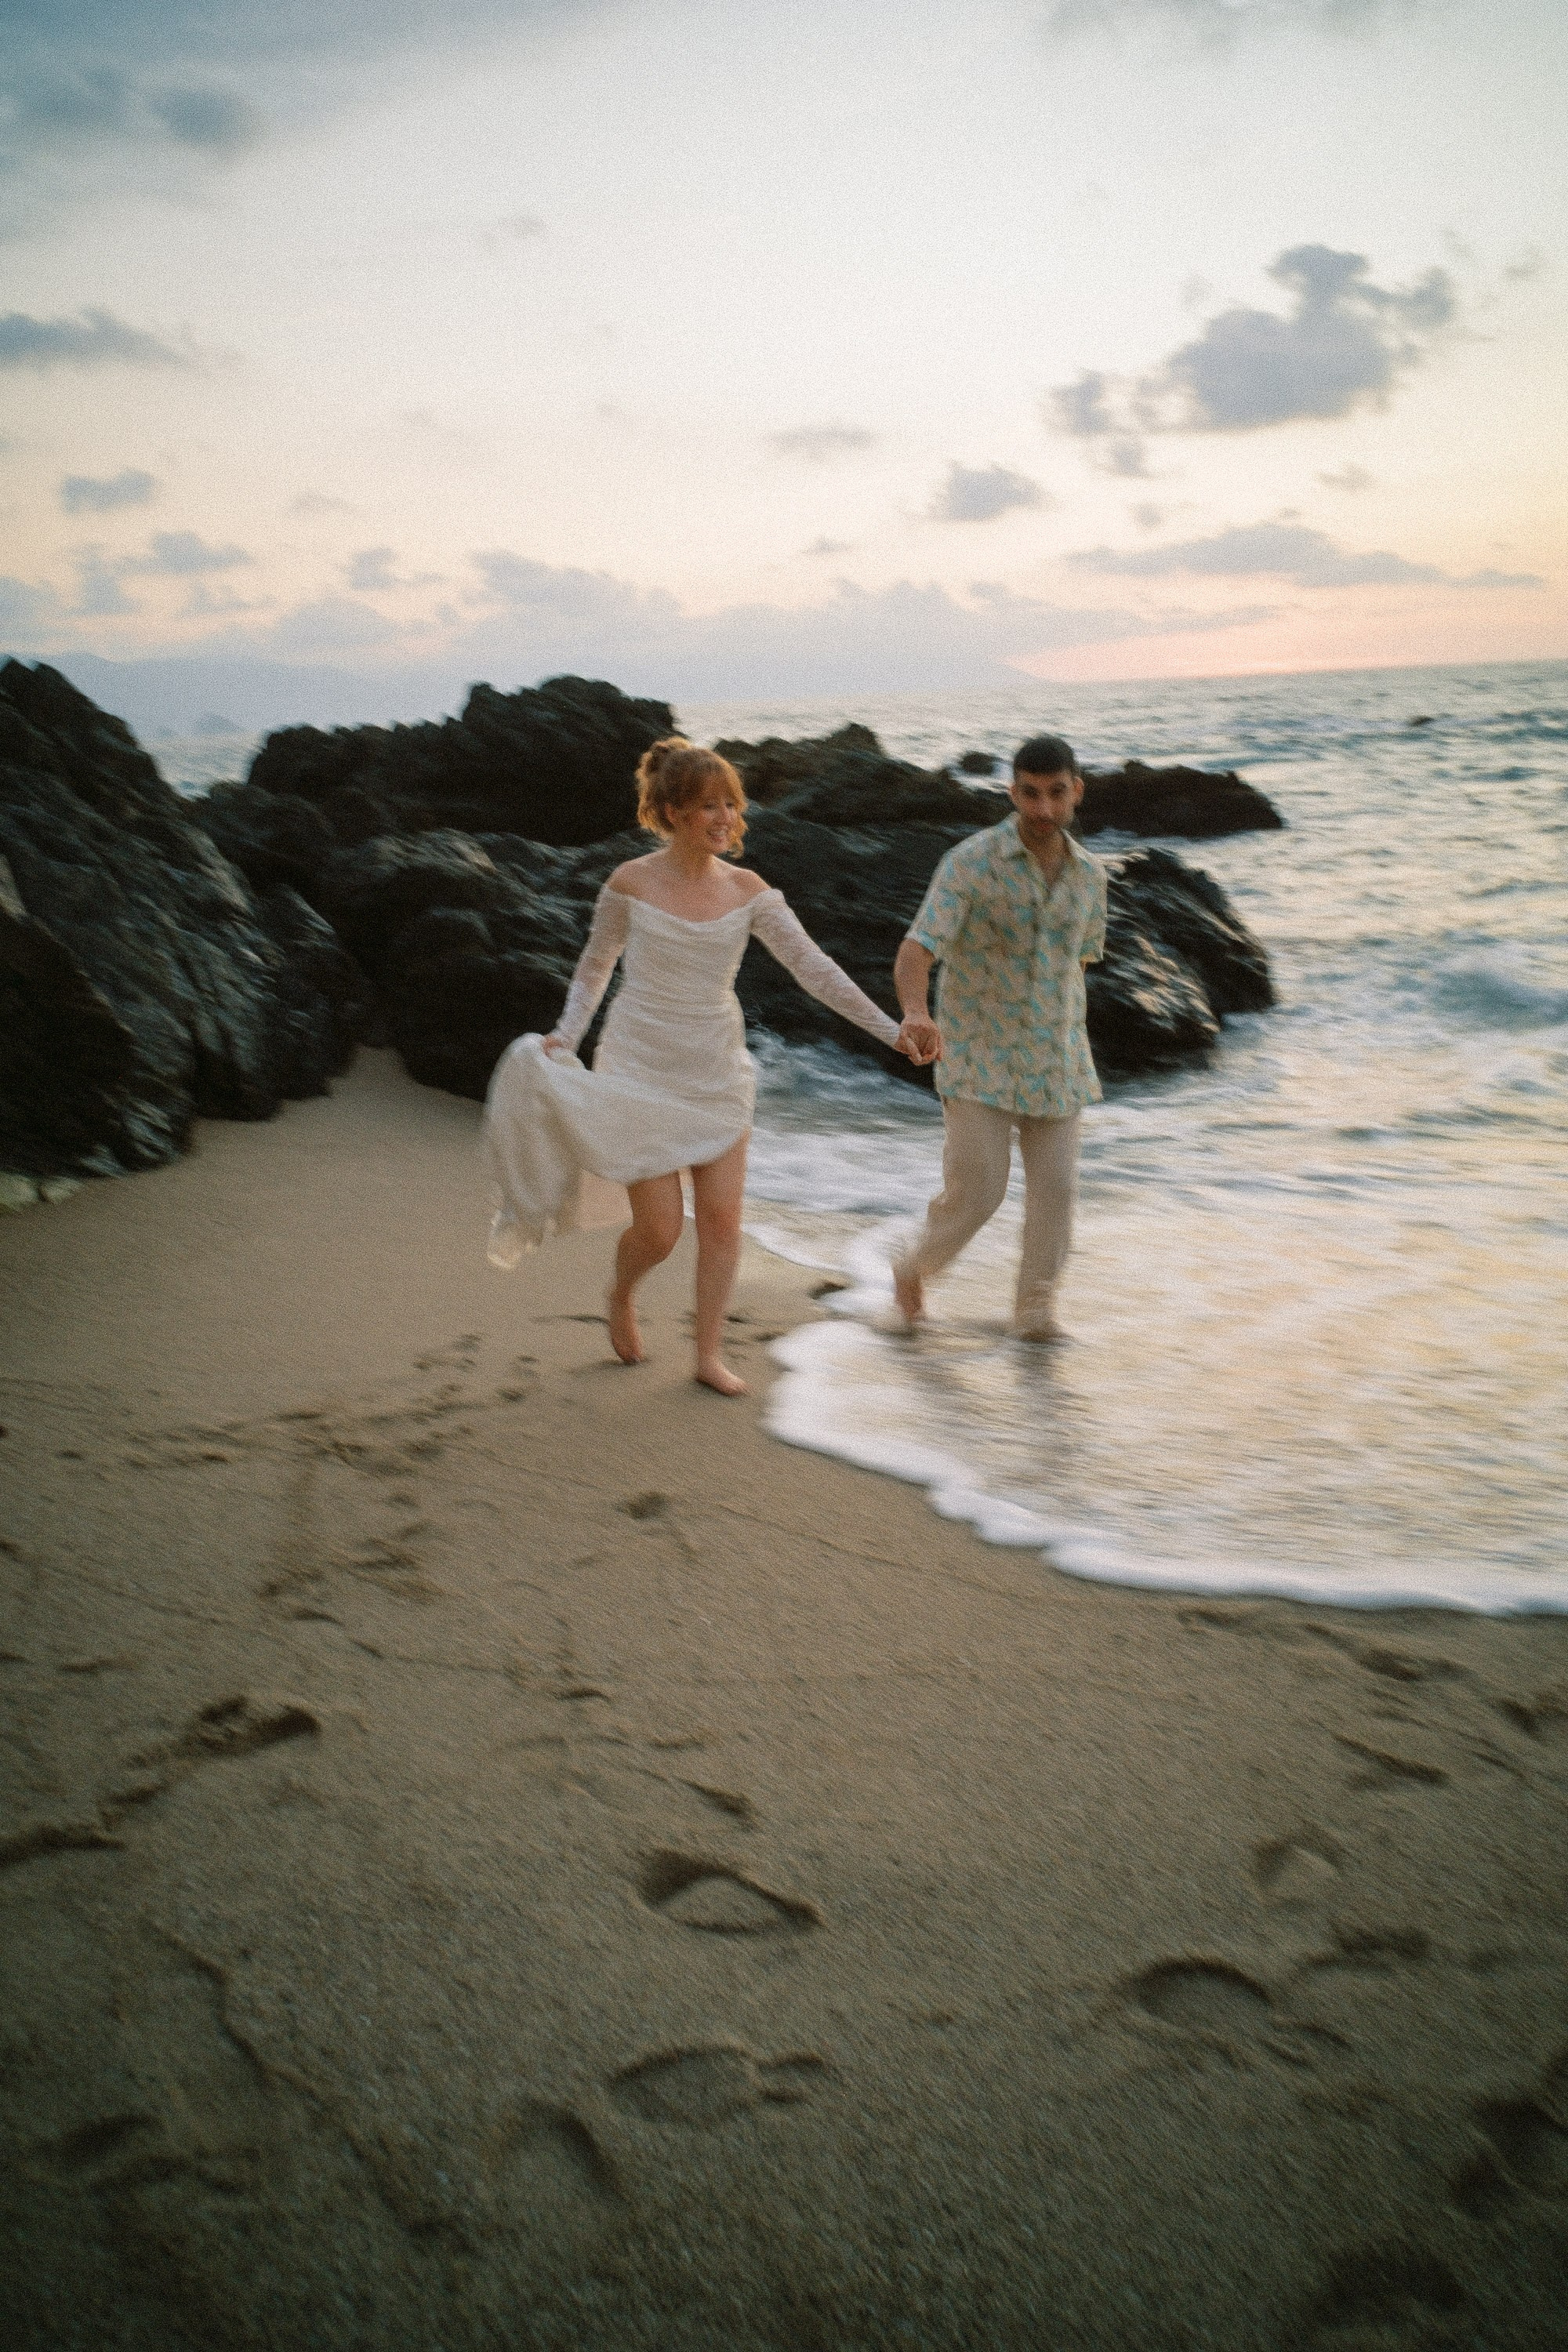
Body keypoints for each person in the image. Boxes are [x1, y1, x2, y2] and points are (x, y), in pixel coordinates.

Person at [485, 737, 934, 1395]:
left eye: (730, 804)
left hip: (717, 1071)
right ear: (670, 812)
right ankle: (621, 1293)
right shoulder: (630, 883)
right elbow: (595, 966)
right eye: (707, 806)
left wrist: (889, 1030)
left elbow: (814, 969)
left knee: (723, 1223)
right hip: (639, 1068)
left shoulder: (749, 891)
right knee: (661, 1231)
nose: (724, 818)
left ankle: (708, 1355)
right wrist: (567, 1036)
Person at [889, 731, 1108, 1341]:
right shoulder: (971, 862)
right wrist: (916, 1011)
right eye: (1030, 795)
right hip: (978, 1057)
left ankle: (1034, 1315)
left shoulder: (1091, 878)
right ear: (1012, 792)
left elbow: (1080, 962)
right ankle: (915, 1268)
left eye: (1056, 794)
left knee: (1057, 1197)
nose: (1043, 809)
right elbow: (918, 947)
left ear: (1076, 792)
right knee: (978, 1191)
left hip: (1058, 1059)